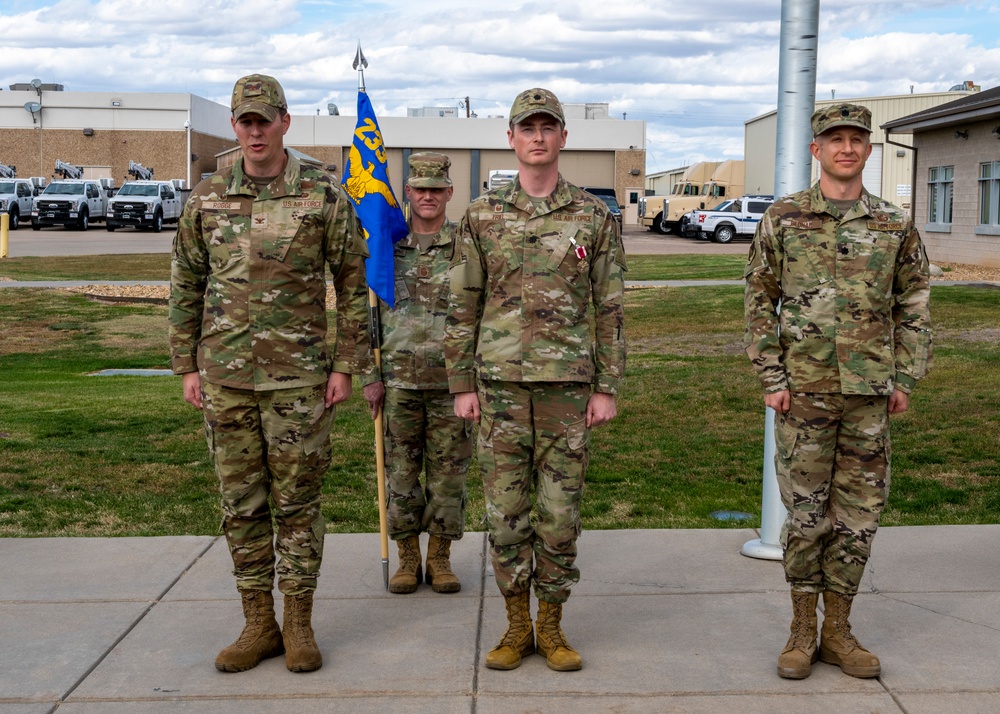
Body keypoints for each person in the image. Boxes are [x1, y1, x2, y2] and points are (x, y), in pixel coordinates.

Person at [169, 74, 373, 674]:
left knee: (299, 506)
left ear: (285, 122)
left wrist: (345, 365)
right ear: (234, 127)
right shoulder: (205, 198)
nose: (255, 131)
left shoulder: (323, 195)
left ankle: (300, 622)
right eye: (245, 121)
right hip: (226, 379)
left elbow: (353, 286)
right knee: (242, 506)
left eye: (265, 119)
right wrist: (186, 365)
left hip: (300, 382)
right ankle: (258, 623)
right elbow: (186, 284)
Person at [744, 103, 932, 680]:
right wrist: (772, 378)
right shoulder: (784, 218)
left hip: (870, 394)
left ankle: (839, 631)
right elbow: (758, 299)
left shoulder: (893, 223)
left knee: (858, 515)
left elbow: (915, 301)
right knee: (805, 516)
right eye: (835, 139)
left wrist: (904, 375)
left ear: (869, 151)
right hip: (804, 394)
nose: (846, 148)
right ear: (816, 150)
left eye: (857, 140)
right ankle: (801, 630)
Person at [445, 88, 627, 672]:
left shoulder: (592, 216)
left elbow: (610, 306)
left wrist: (607, 385)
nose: (539, 137)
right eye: (528, 128)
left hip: (567, 390)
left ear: (563, 138)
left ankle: (551, 625)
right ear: (512, 138)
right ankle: (515, 624)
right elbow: (462, 305)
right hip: (498, 387)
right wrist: (461, 384)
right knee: (505, 512)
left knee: (559, 512)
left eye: (549, 127)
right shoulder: (480, 216)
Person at [361, 152, 472, 595]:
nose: (427, 196)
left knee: (449, 476)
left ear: (449, 192)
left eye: (436, 189)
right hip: (398, 383)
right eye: (419, 188)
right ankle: (407, 557)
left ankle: (440, 558)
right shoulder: (384, 246)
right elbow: (364, 315)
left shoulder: (466, 246)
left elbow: (476, 311)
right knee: (401, 477)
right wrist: (369, 374)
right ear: (406, 192)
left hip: (451, 384)